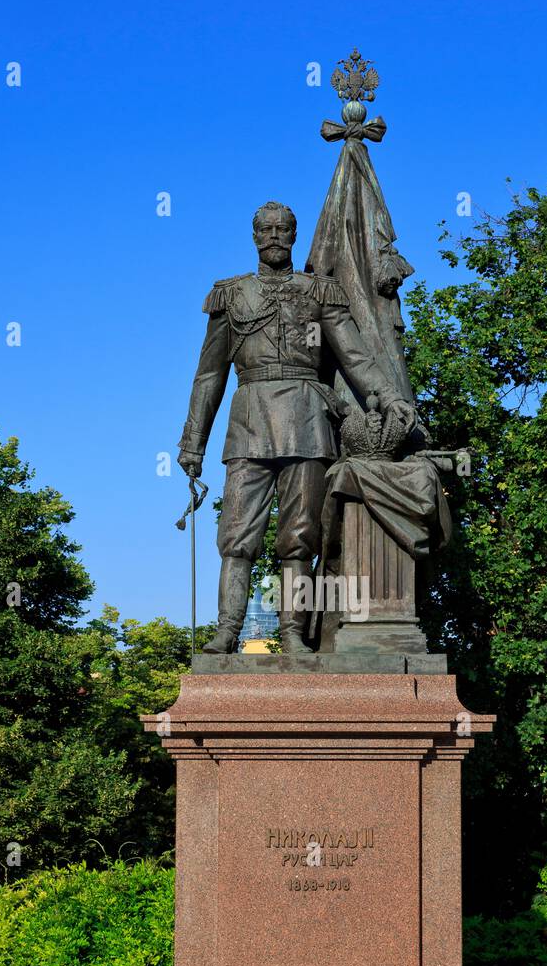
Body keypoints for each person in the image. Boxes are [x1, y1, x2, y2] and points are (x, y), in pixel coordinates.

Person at [177, 200, 415, 652]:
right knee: (236, 536)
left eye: (282, 229)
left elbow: (356, 357)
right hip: (249, 421)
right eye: (265, 229)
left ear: (294, 235)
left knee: (299, 537)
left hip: (307, 421)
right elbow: (209, 375)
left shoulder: (318, 292)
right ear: (254, 237)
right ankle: (227, 631)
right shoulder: (231, 295)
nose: (273, 236)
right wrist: (194, 442)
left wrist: (389, 397)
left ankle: (291, 634)